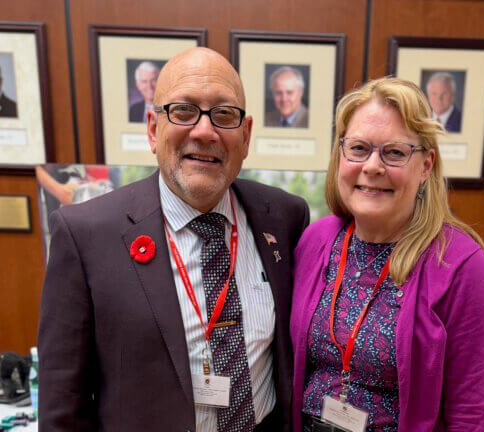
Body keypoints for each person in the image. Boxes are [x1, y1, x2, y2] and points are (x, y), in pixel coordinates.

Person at [38, 47, 310, 432]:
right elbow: (62, 406)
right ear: (153, 129)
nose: (204, 131)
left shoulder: (285, 217)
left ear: (245, 135)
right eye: (183, 111)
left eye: (224, 114)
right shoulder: (85, 235)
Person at [290, 77, 484, 431]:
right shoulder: (317, 240)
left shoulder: (460, 264)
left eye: (395, 152)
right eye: (358, 148)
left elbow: (470, 417)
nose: (372, 166)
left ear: (426, 166)